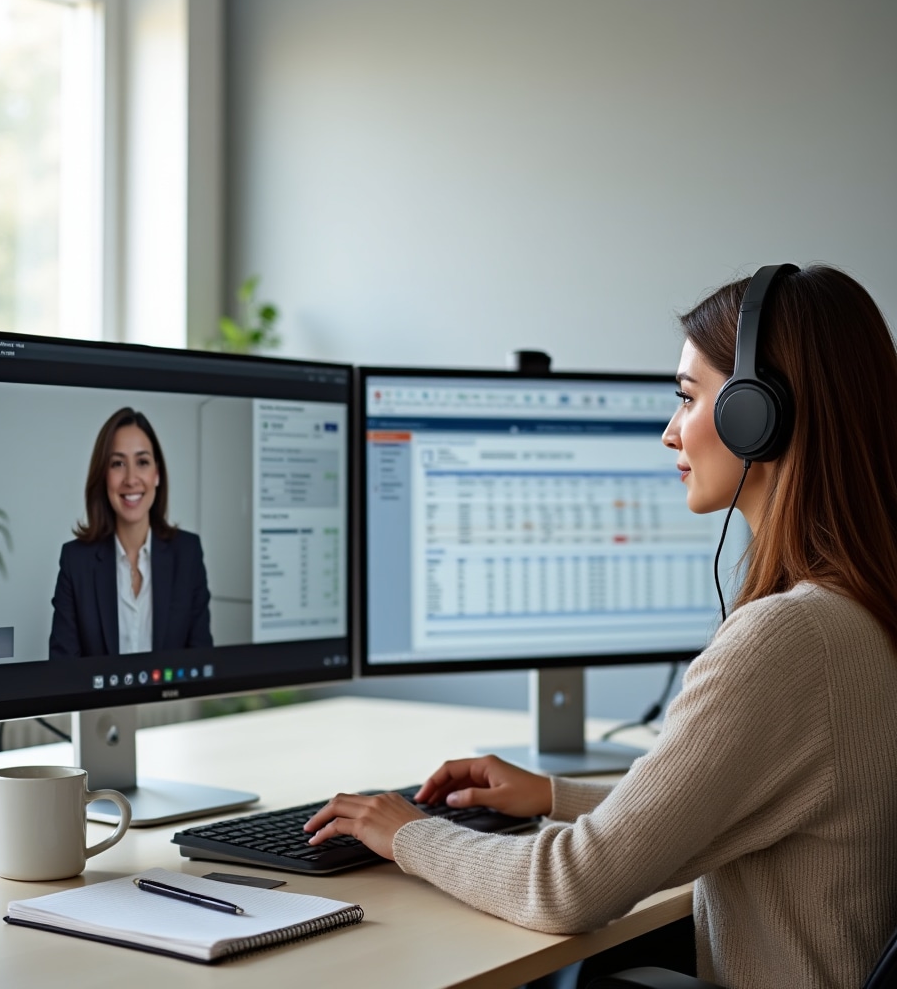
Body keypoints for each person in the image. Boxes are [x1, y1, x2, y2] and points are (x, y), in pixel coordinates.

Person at [305, 264, 897, 988]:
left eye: (688, 398)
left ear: (758, 416)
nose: (669, 432)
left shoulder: (788, 639)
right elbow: (738, 806)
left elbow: (571, 889)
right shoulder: (860, 613)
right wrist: (554, 798)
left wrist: (408, 834)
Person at [49, 407, 214, 657]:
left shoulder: (188, 553)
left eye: (142, 462)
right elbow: (63, 669)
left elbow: (201, 661)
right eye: (117, 463)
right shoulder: (76, 561)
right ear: (103, 476)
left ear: (156, 474)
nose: (131, 478)